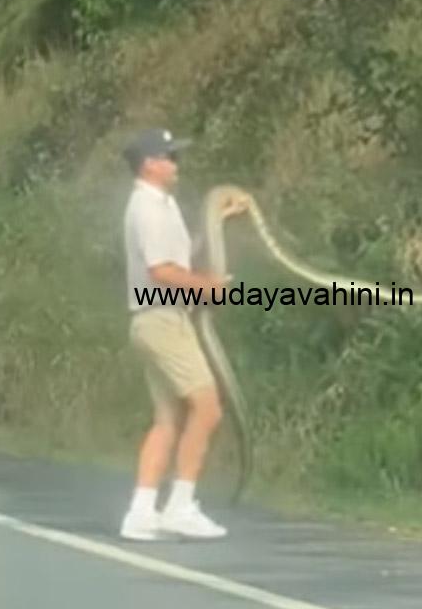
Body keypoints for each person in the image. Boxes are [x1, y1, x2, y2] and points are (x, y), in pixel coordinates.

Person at [119, 128, 247, 540]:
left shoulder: (162, 205)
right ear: (149, 164)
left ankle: (141, 513)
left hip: (158, 318)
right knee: (207, 408)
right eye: (169, 157)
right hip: (161, 319)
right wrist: (209, 288)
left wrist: (218, 222)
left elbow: (178, 256)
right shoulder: (147, 208)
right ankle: (180, 506)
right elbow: (162, 271)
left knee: (168, 420)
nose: (176, 164)